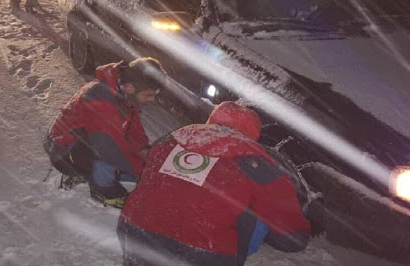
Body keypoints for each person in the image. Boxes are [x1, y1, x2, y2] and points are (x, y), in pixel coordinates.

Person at [118, 101, 311, 266]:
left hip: (135, 230)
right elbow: (292, 239)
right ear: (252, 133)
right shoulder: (257, 161)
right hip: (203, 252)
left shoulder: (172, 139)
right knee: (251, 206)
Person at [44, 57, 167, 208]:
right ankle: (103, 191)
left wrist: (145, 152)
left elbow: (133, 129)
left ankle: (93, 173)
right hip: (63, 152)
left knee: (132, 164)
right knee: (108, 156)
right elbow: (110, 150)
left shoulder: (120, 91)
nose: (153, 100)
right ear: (129, 87)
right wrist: (145, 171)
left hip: (82, 142)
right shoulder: (101, 102)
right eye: (149, 95)